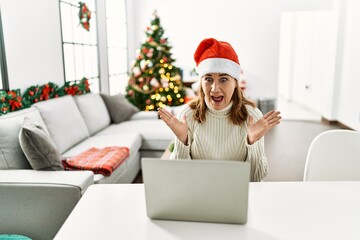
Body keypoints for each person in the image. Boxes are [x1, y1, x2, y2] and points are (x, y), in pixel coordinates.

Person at [158, 38, 281, 182]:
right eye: (208, 79)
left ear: (235, 83)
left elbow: (256, 178)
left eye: (223, 79)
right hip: (198, 194)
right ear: (201, 83)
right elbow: (179, 177)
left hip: (236, 196)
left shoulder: (252, 116)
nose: (215, 89)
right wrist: (183, 140)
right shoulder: (187, 116)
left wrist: (252, 141)